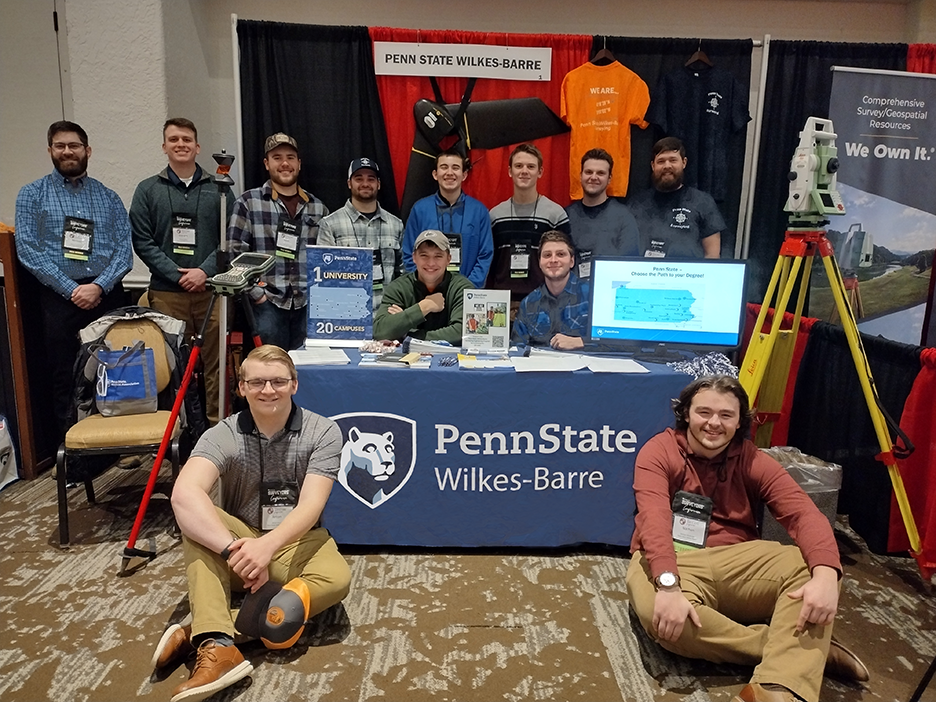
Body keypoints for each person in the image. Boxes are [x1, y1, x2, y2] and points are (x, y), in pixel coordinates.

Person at [626, 375, 869, 702]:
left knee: (816, 569)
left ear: (740, 422)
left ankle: (776, 688)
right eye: (704, 412)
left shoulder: (753, 459)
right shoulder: (658, 451)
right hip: (670, 562)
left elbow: (803, 513)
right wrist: (669, 586)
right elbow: (653, 519)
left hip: (738, 564)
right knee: (666, 620)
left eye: (726, 415)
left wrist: (827, 573)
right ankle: (805, 651)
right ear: (685, 414)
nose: (714, 423)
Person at [153, 344, 351, 702]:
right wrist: (234, 549)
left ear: (294, 384)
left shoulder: (323, 432)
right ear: (241, 387)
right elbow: (183, 493)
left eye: (278, 381)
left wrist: (267, 546)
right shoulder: (222, 434)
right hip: (239, 546)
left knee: (337, 580)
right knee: (196, 519)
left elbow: (311, 505)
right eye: (257, 382)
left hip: (295, 540)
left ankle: (201, 627)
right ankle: (218, 646)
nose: (268, 390)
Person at [15, 120, 133, 443]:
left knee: (116, 371)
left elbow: (124, 251)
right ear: (50, 150)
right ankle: (72, 454)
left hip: (106, 293)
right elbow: (28, 250)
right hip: (59, 297)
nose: (67, 151)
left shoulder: (108, 197)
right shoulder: (32, 195)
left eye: (74, 145)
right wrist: (72, 289)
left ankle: (118, 446)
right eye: (60, 145)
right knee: (66, 376)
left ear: (88, 151)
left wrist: (98, 287)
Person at [130, 118, 228, 425]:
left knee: (215, 365)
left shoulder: (220, 190)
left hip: (212, 292)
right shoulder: (147, 190)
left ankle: (214, 427)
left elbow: (232, 239)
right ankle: (179, 429)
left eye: (187, 139)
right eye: (174, 139)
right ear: (164, 147)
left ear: (197, 147)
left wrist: (204, 272)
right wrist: (177, 274)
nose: (181, 144)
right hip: (167, 294)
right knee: (172, 366)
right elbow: (142, 241)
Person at [228, 133, 329, 350]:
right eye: (277, 157)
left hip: (308, 305)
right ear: (266, 163)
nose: (285, 163)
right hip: (267, 303)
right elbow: (234, 254)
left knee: (307, 373)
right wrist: (257, 295)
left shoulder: (318, 207)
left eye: (291, 157)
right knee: (269, 370)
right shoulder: (248, 202)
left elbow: (327, 258)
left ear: (299, 164)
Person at [317, 157, 403, 310]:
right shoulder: (330, 224)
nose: (365, 184)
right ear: (349, 183)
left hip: (387, 315)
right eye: (359, 178)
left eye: (371, 179)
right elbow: (323, 277)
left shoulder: (396, 224)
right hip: (347, 315)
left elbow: (402, 274)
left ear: (379, 184)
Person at [488, 143, 571, 302]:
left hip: (543, 301)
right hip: (502, 302)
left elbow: (564, 263)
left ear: (540, 172)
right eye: (518, 166)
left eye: (531, 166)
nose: (524, 171)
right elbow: (490, 264)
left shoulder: (555, 215)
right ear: (509, 171)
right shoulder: (495, 216)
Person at [401, 149, 492, 288]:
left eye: (455, 168)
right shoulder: (420, 209)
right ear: (435, 174)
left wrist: (467, 288)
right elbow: (408, 253)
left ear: (464, 175)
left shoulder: (479, 211)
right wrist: (425, 286)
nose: (449, 173)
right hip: (427, 295)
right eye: (444, 167)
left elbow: (485, 254)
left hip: (467, 294)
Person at [628, 136, 725, 259]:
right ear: (653, 166)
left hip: (686, 276)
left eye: (673, 160)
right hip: (643, 275)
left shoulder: (703, 202)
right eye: (661, 161)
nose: (667, 166)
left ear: (684, 163)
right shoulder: (636, 203)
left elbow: (712, 255)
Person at [374, 230, 473, 345]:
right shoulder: (398, 288)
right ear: (414, 258)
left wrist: (407, 333)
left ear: (448, 259)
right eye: (424, 256)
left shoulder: (462, 288)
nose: (431, 263)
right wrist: (423, 307)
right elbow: (380, 332)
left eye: (438, 256)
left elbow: (463, 332)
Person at [565, 148, 640, 280]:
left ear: (609, 178)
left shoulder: (624, 218)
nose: (593, 177)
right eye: (588, 172)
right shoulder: (566, 216)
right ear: (580, 174)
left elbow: (629, 266)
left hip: (608, 292)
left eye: (600, 173)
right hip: (573, 295)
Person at [511, 230, 589, 350]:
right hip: (540, 366)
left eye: (560, 254)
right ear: (540, 262)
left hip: (583, 366)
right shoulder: (528, 304)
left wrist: (582, 342)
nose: (553, 260)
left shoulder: (593, 296)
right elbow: (517, 348)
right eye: (547, 255)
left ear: (572, 261)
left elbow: (619, 343)